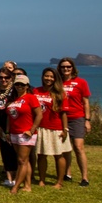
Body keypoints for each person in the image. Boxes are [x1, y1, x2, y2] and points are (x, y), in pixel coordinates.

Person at [35, 67, 71, 188]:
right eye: (46, 76)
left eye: (51, 76)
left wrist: (65, 129)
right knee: (41, 155)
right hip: (40, 127)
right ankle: (42, 180)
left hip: (56, 128)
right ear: (42, 77)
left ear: (55, 78)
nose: (48, 79)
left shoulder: (60, 93)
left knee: (58, 155)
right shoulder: (36, 91)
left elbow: (64, 113)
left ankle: (59, 182)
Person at [7, 75, 42, 194]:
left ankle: (16, 187)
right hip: (14, 132)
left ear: (27, 86)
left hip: (26, 133)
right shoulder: (14, 99)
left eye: (22, 84)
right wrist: (7, 132)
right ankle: (27, 185)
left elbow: (39, 115)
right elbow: (9, 118)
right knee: (23, 160)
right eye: (17, 84)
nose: (19, 86)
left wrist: (32, 130)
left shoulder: (31, 98)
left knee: (21, 160)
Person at [59, 57, 91, 187]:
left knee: (78, 147)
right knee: (65, 148)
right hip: (61, 118)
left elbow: (86, 102)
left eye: (68, 67)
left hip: (77, 118)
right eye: (63, 67)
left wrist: (87, 120)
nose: (66, 69)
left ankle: (84, 177)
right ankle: (68, 173)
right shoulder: (57, 82)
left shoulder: (80, 82)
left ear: (73, 68)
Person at [0, 67, 17, 187]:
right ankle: (8, 178)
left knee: (15, 151)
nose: (3, 79)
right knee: (5, 150)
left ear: (11, 78)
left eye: (6, 77)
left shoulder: (15, 91)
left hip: (14, 124)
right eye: (1, 77)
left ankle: (17, 176)